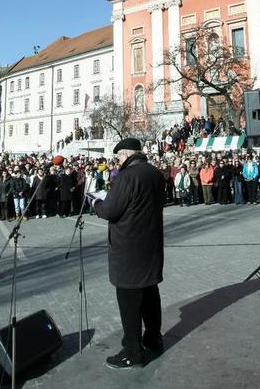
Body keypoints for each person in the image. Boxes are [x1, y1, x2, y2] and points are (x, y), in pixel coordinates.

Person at [92, 138, 164, 370]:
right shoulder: (154, 173)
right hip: (150, 245)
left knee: (129, 301)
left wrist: (96, 204)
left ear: (125, 155)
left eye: (119, 157)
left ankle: (133, 352)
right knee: (150, 294)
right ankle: (153, 338)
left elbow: (111, 210)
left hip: (129, 249)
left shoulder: (126, 176)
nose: (118, 161)